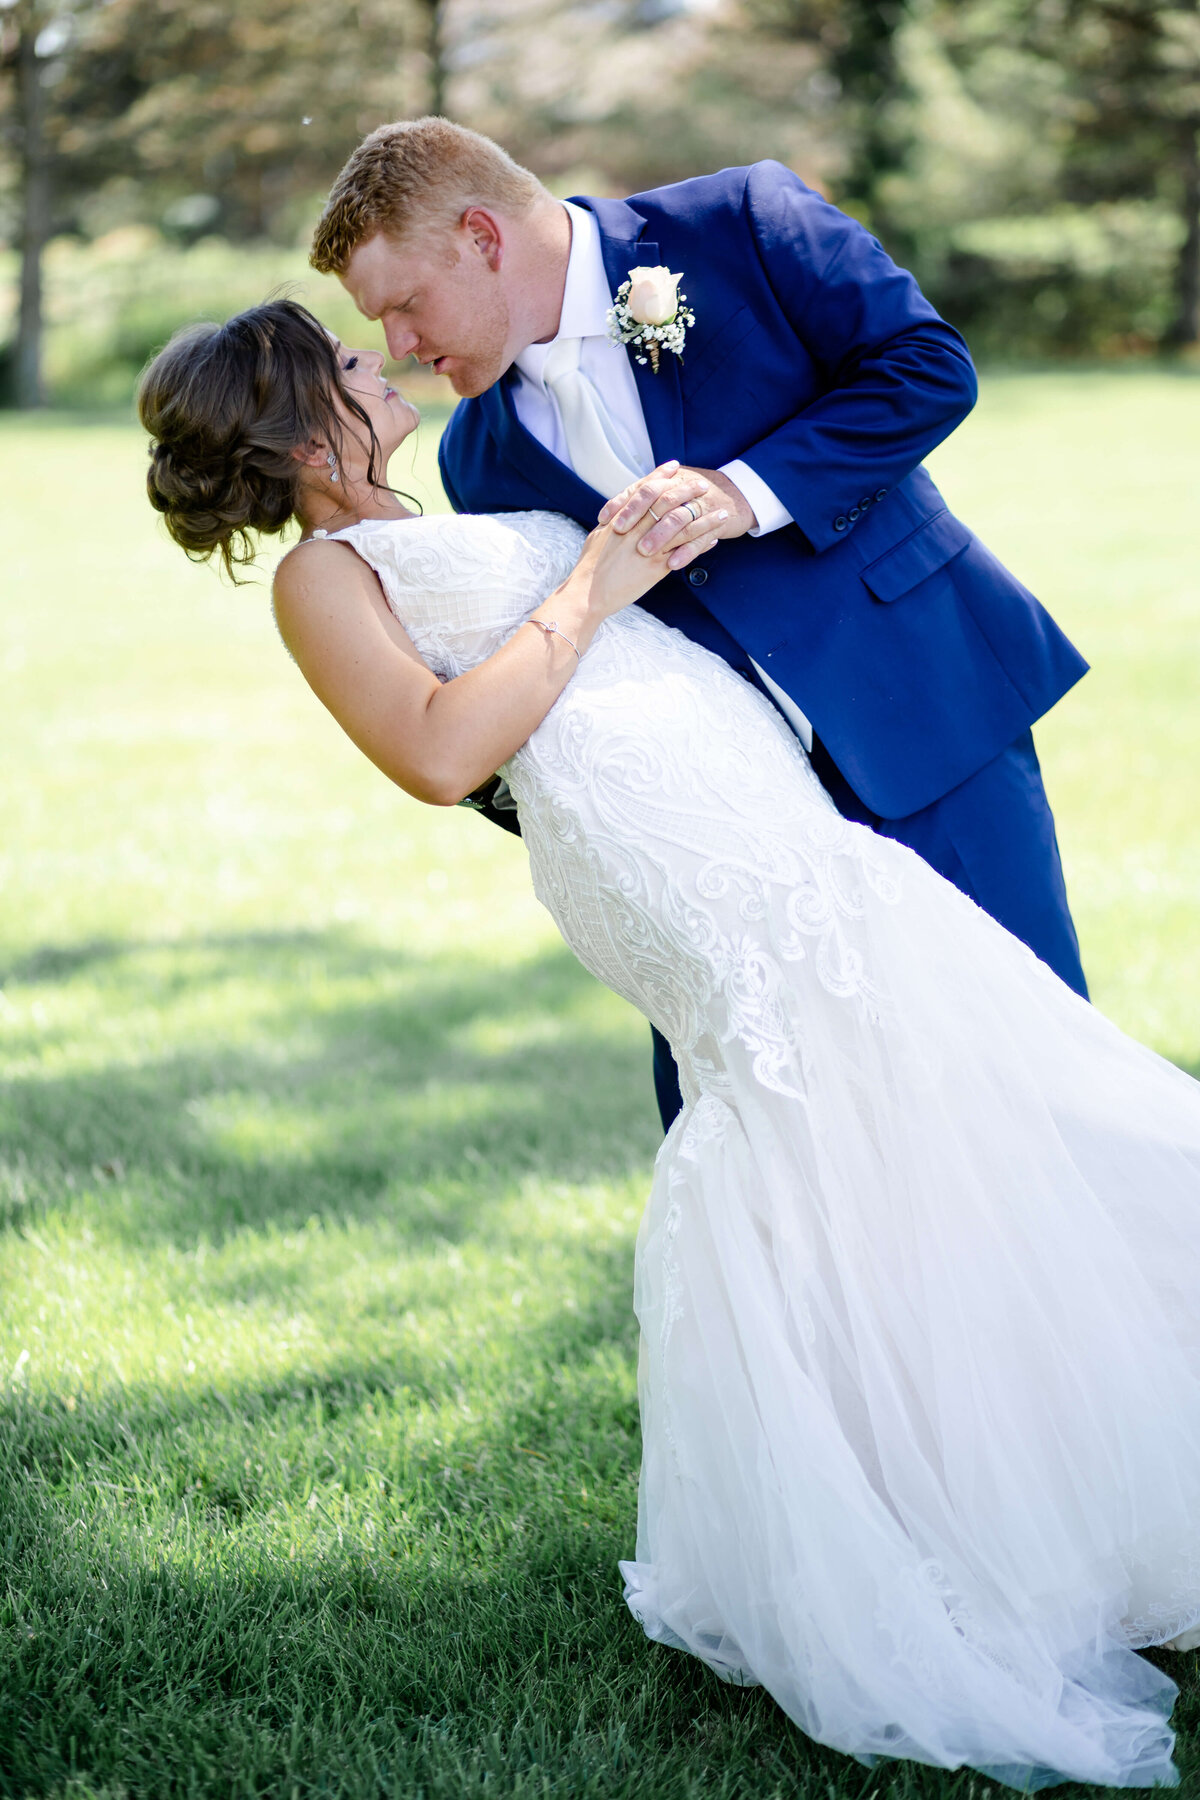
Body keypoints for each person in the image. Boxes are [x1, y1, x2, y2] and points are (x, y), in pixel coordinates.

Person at [138, 297, 1200, 1792]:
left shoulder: (417, 507)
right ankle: (925, 1533)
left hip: (759, 825)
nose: (383, 365)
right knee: (842, 1122)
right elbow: (444, 753)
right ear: (304, 426)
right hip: (684, 876)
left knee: (941, 1110)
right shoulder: (318, 578)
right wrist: (596, 575)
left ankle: (1029, 1485)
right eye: (354, 363)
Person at [309, 118, 1091, 1136]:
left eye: (406, 305)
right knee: (769, 1137)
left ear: (484, 238)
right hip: (728, 837)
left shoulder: (742, 223)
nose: (399, 347)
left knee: (1043, 1083)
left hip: (926, 718)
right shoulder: (480, 459)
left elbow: (927, 367)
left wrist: (746, 490)